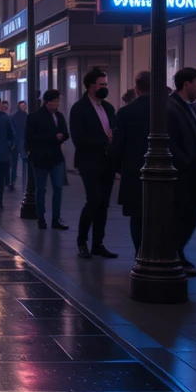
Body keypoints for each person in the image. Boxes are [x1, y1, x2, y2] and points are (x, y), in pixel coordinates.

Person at [69, 67, 117, 259]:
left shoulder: (108, 108)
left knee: (103, 204)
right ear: (91, 87)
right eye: (101, 85)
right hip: (89, 161)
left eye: (106, 84)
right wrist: (105, 142)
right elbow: (79, 138)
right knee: (94, 200)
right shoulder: (79, 109)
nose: (105, 88)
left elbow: (115, 130)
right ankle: (82, 240)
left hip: (107, 162)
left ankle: (98, 243)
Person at [167, 67, 196, 276]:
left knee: (188, 216)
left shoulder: (187, 107)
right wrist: (185, 161)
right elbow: (170, 141)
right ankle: (174, 255)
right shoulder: (172, 107)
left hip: (190, 172)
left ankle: (176, 254)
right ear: (186, 85)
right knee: (186, 216)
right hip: (182, 173)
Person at [110, 70, 150, 254]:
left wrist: (117, 167)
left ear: (136, 89)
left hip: (133, 169)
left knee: (137, 215)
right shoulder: (167, 109)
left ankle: (139, 251)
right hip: (164, 171)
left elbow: (118, 143)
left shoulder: (126, 112)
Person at [25, 89, 69, 229]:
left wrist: (63, 136)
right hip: (41, 157)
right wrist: (52, 138)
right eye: (54, 101)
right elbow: (30, 137)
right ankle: (41, 217)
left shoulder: (59, 116)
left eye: (58, 101)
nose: (56, 103)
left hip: (56, 157)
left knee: (58, 187)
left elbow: (65, 132)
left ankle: (56, 218)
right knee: (41, 188)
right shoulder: (34, 117)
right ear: (46, 102)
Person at [10, 100, 28, 190]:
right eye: (23, 106)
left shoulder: (14, 116)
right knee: (24, 160)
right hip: (22, 141)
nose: (24, 107)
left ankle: (12, 181)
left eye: (24, 105)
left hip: (16, 141)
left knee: (14, 162)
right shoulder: (26, 116)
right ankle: (24, 181)